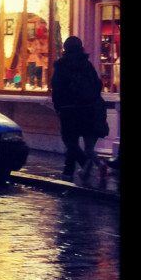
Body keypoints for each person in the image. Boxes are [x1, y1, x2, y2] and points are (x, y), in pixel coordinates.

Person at [51, 36, 109, 184]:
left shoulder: (62, 65)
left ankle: (82, 164)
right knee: (79, 142)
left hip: (68, 109)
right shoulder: (86, 64)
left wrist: (57, 106)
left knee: (69, 140)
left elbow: (56, 88)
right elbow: (97, 85)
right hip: (87, 109)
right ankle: (69, 172)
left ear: (65, 48)